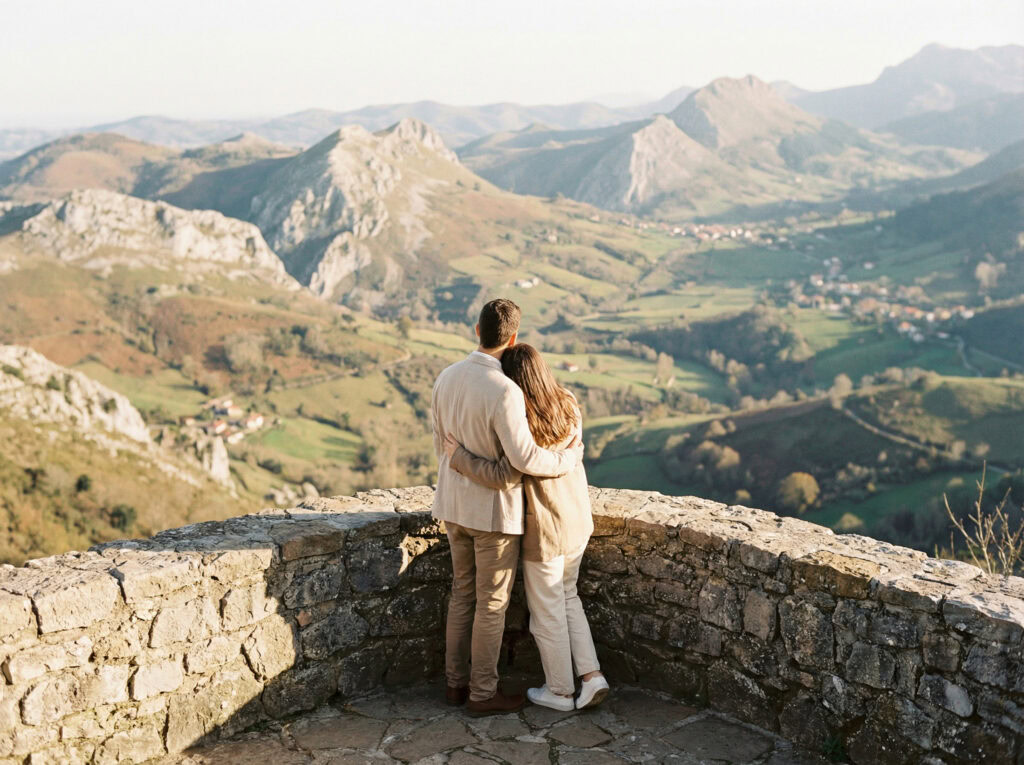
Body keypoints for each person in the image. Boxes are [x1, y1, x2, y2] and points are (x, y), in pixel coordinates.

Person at [431, 299, 584, 717]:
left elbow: (441, 450)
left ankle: (454, 686)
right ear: (513, 338)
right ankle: (483, 694)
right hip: (493, 515)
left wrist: (460, 461)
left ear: (477, 331)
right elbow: (524, 461)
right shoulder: (506, 390)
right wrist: (570, 459)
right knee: (491, 605)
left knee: (461, 596)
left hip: (451, 507)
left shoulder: (445, 378)